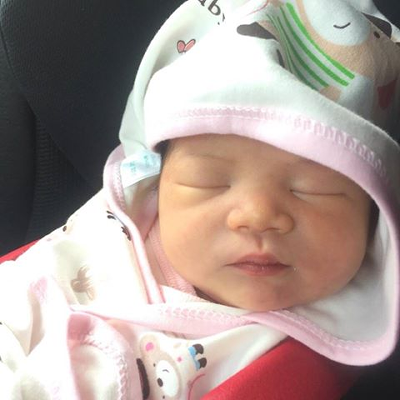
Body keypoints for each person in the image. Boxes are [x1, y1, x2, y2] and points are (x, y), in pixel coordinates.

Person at [0, 0, 399, 399]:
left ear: (372, 211)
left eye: (311, 188)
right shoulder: (100, 242)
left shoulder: (352, 327)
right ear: (157, 183)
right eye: (212, 182)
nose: (258, 215)